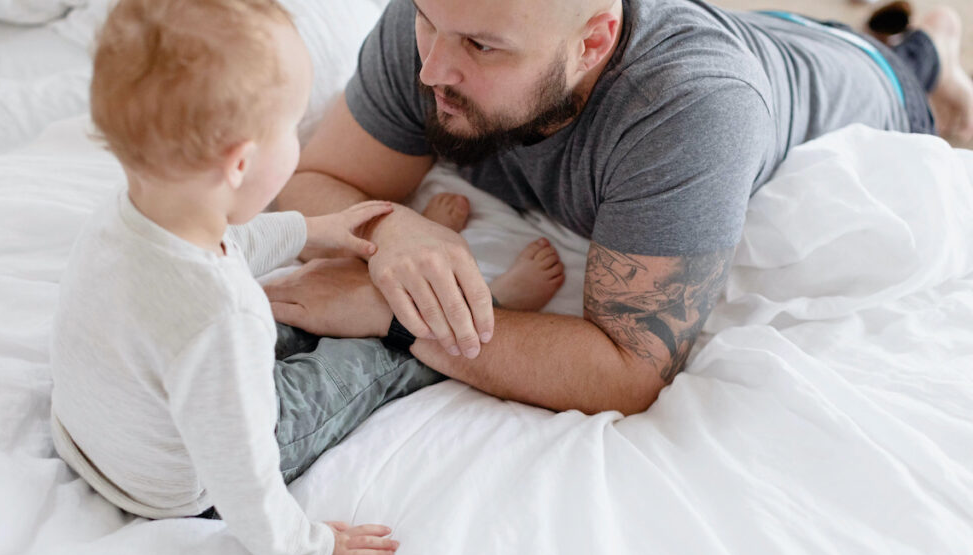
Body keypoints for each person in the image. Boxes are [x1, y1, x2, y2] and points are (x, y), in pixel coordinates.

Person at [49, 0, 564, 555]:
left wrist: (313, 230)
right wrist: (306, 552)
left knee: (294, 306)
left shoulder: (125, 218)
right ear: (242, 164)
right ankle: (483, 305)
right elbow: (243, 471)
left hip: (102, 435)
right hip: (186, 482)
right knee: (365, 362)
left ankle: (417, 271)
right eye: (292, 130)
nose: (299, 142)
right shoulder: (222, 317)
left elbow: (232, 242)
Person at [268, 0, 973, 416]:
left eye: (482, 48)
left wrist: (394, 317)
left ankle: (929, 51)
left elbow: (627, 369)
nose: (431, 71)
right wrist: (393, 227)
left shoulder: (691, 109)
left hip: (866, 91)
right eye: (427, 23)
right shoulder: (446, 17)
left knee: (909, 71)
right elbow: (320, 176)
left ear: (594, 42)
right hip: (770, 37)